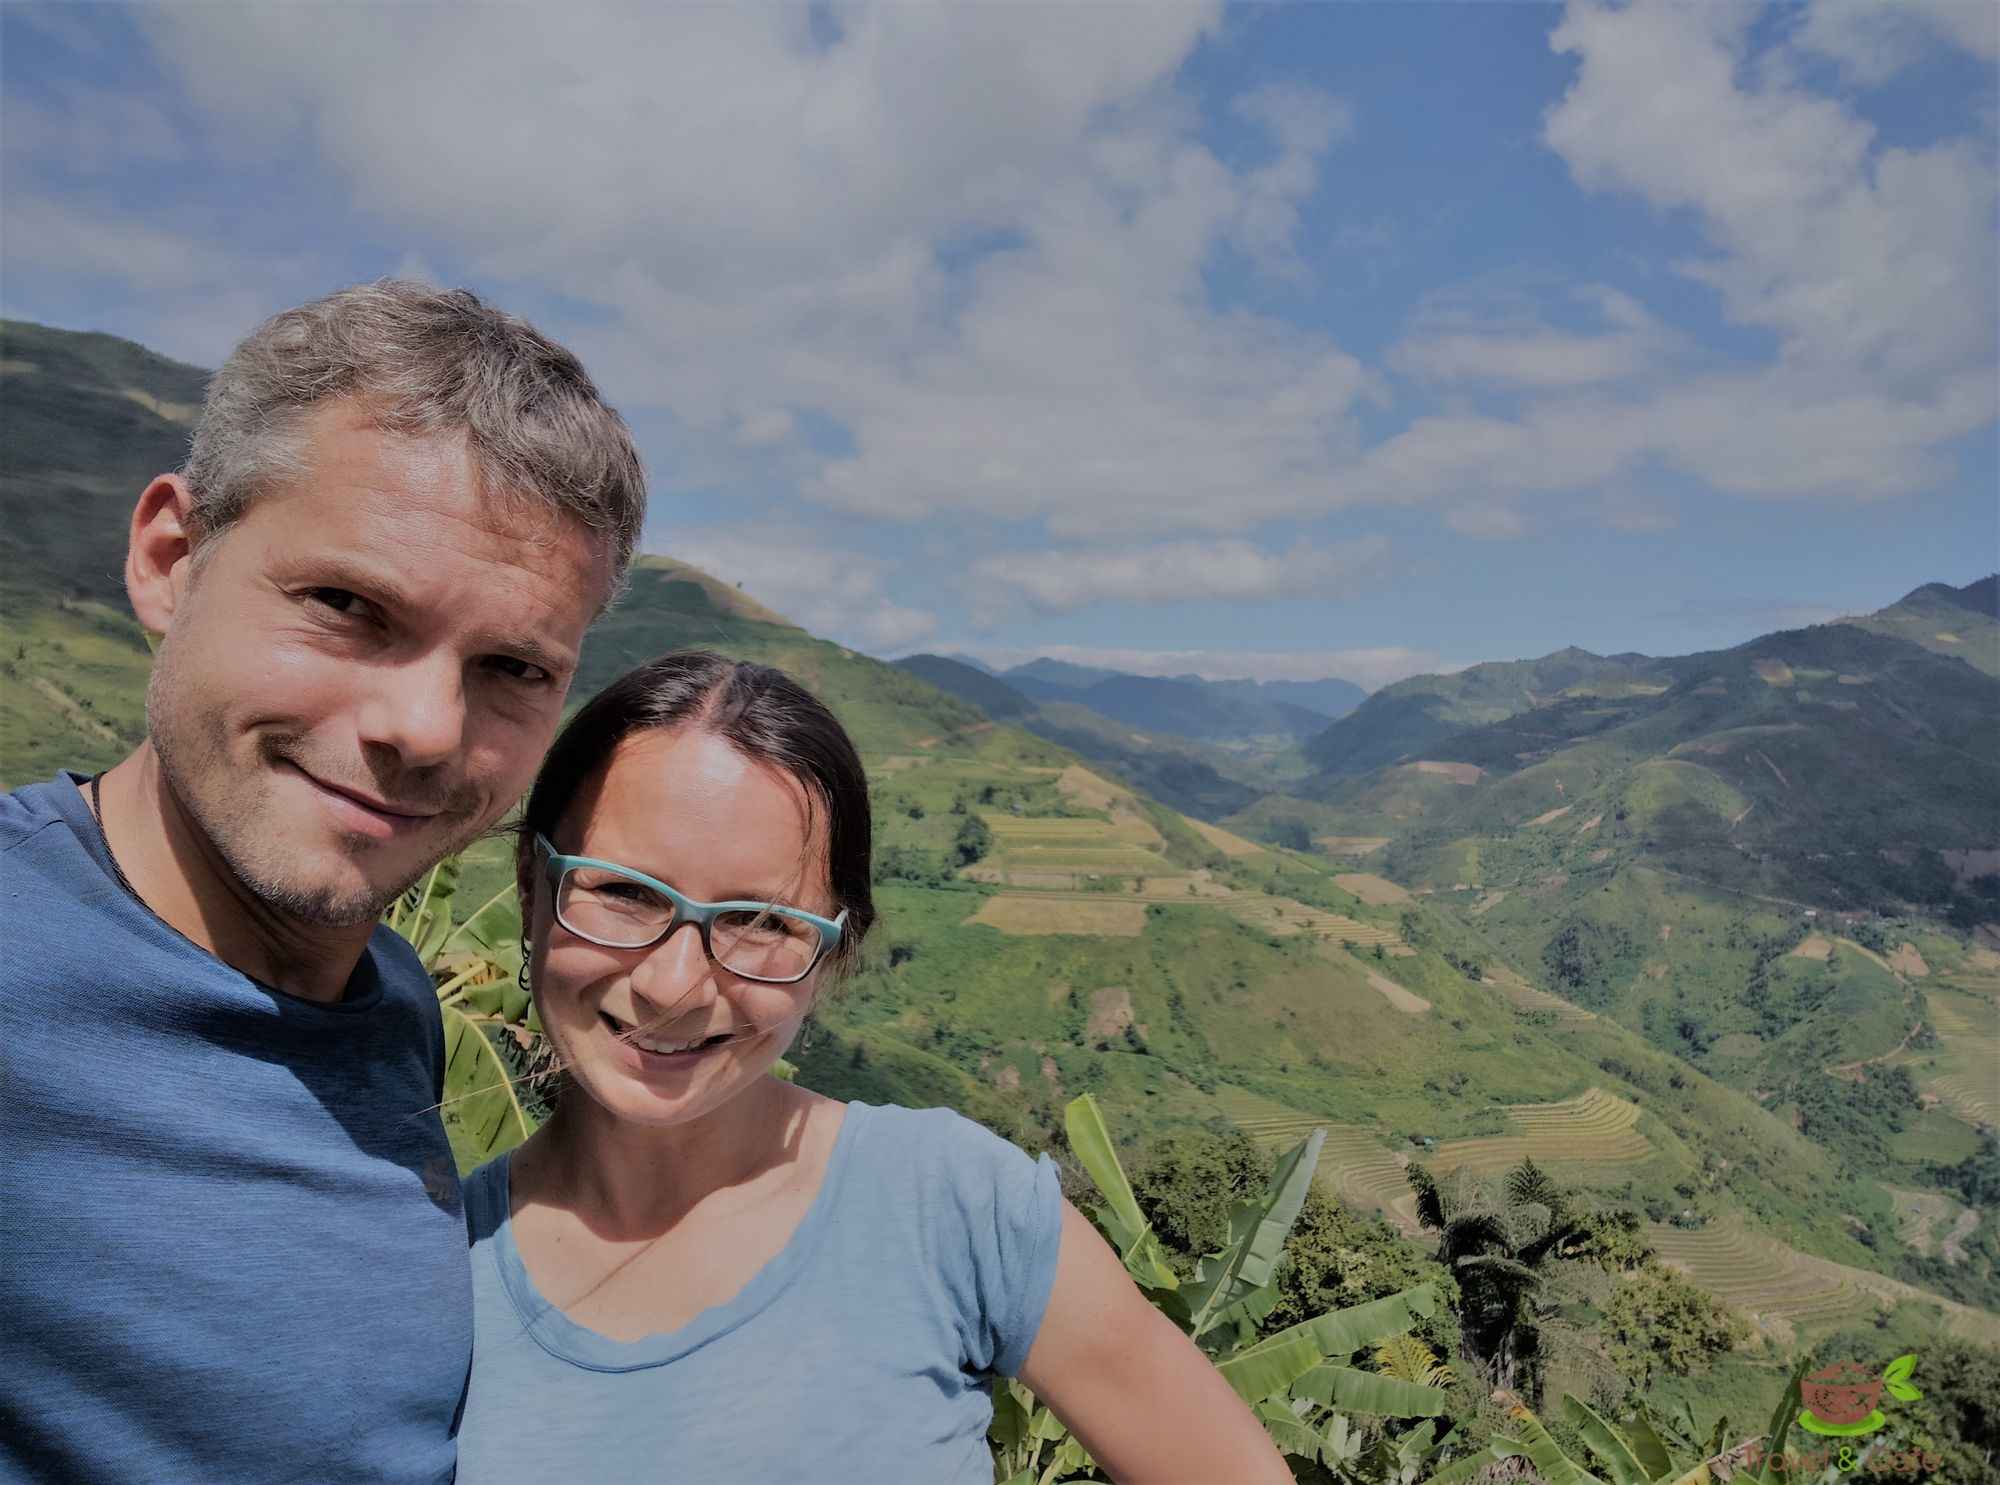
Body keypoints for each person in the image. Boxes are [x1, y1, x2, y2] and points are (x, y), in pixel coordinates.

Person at [0, 281, 646, 1483]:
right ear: (171, 561)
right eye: (346, 606)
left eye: (511, 667)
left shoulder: (394, 1006)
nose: (425, 729)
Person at [454, 650, 1291, 1484]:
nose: (673, 985)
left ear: (832, 955)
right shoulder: (430, 1274)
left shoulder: (955, 1208)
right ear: (531, 886)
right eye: (625, 892)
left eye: (759, 922)